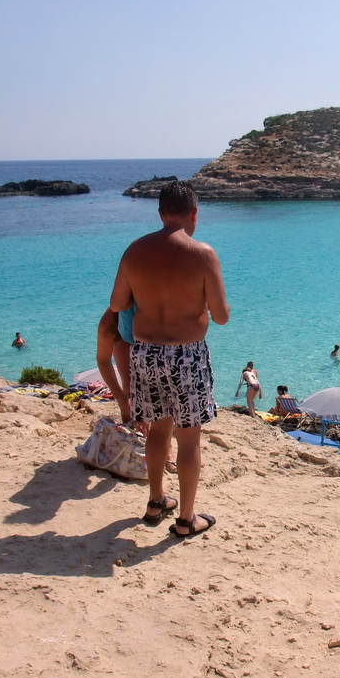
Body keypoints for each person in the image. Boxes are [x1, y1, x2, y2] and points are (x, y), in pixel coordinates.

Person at [110, 180, 230, 537]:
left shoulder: (135, 250)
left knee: (158, 430)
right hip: (186, 357)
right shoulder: (202, 253)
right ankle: (186, 519)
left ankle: (156, 500)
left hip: (145, 352)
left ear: (160, 213)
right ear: (194, 213)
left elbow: (117, 304)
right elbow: (221, 316)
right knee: (189, 439)